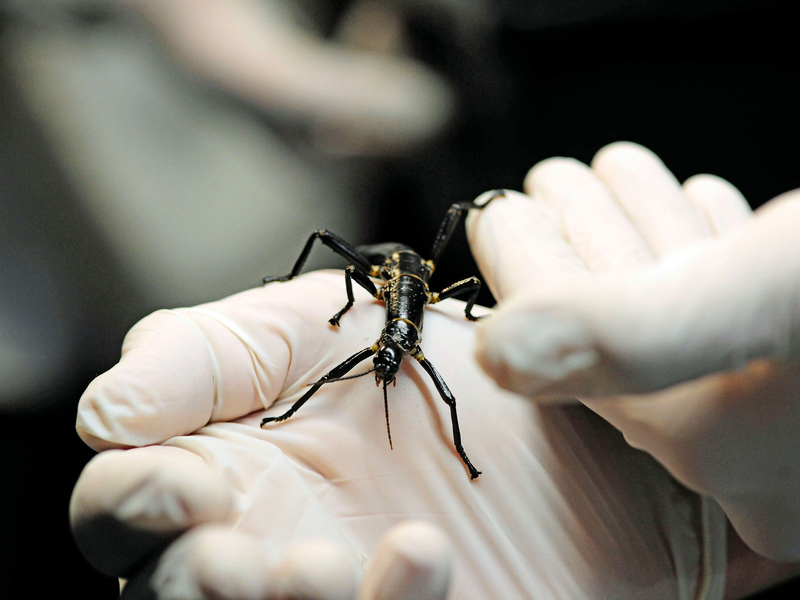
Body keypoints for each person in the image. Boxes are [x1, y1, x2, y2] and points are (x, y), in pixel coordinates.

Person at [71, 142, 800, 598]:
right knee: (329, 244)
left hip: (456, 275)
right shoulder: (383, 299)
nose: (388, 366)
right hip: (401, 276)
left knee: (456, 342)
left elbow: (453, 365)